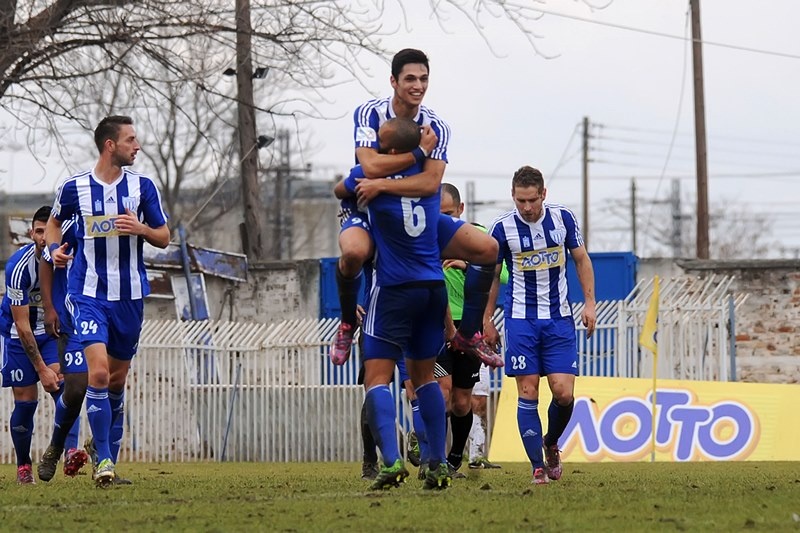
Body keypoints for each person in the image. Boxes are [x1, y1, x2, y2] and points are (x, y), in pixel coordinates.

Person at [330, 48, 501, 370]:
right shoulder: (369, 113)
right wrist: (418, 154)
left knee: (487, 248)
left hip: (413, 214)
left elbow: (430, 184)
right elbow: (367, 163)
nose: (417, 85)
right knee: (353, 253)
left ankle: (467, 333)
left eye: (424, 79)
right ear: (393, 81)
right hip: (369, 211)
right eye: (410, 78)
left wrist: (382, 183)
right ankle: (346, 324)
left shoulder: (436, 126)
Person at [45, 115, 170, 487]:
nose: (138, 146)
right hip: (87, 294)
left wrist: (143, 229)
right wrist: (55, 250)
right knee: (95, 374)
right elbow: (53, 224)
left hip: (129, 297)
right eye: (131, 139)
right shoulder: (74, 188)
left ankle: (96, 451)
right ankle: (104, 465)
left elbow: (164, 236)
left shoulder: (142, 187)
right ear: (110, 145)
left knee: (115, 383)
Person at [340, 117, 452, 490]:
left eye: (378, 143)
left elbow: (339, 188)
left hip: (393, 287)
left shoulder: (369, 177)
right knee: (423, 380)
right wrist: (419, 152)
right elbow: (428, 177)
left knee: (377, 378)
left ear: (386, 150)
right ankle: (437, 465)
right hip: (432, 286)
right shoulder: (428, 175)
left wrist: (371, 175)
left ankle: (390, 462)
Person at [483, 165, 596, 485]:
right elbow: (491, 276)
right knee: (528, 391)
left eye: (532, 200)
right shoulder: (502, 228)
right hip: (520, 321)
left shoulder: (564, 219)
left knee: (563, 393)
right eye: (521, 201)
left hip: (558, 320)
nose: (527, 207)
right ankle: (536, 467)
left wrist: (589, 303)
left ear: (543, 194)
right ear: (513, 197)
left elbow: (581, 259)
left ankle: (550, 443)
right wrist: (487, 319)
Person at [0, 206, 62, 484]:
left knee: (63, 394)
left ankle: (67, 452)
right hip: (17, 335)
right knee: (26, 404)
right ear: (31, 233)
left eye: (47, 231)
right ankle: (23, 466)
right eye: (38, 231)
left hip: (50, 334)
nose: (42, 236)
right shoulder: (17, 267)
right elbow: (22, 325)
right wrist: (41, 368)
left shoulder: (67, 260)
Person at [36, 215, 91, 481]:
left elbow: (161, 235)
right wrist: (49, 308)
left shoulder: (125, 218)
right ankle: (57, 448)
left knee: (112, 384)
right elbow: (47, 261)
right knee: (76, 387)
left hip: (113, 311)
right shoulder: (70, 227)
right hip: (74, 320)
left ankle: (105, 461)